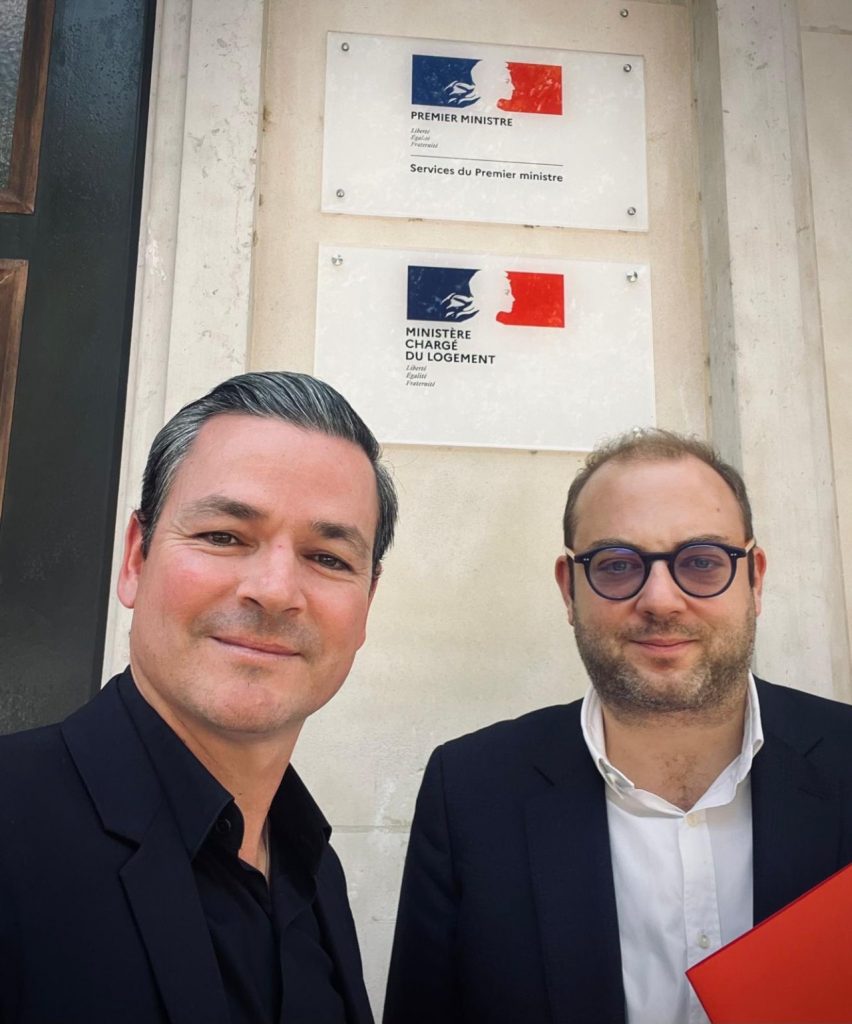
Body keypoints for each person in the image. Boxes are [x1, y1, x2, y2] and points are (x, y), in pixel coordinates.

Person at [384, 428, 852, 1024]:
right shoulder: (471, 791)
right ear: (570, 589)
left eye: (703, 562)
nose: (660, 599)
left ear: (754, 579)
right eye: (617, 564)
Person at [0, 371, 398, 1024]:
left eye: (327, 558)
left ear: (365, 605)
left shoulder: (314, 869)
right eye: (224, 536)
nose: (275, 590)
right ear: (135, 559)